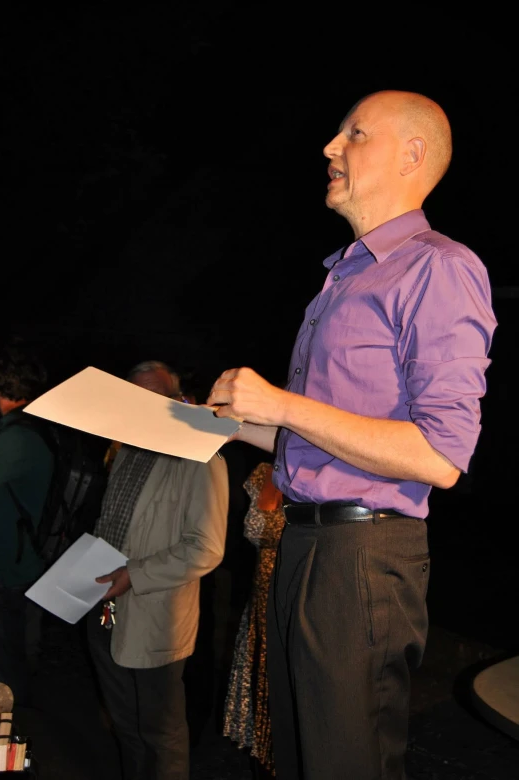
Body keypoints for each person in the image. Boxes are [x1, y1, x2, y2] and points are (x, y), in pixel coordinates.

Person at [207, 90, 498, 779]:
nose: (331, 148)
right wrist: (221, 422)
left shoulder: (439, 267)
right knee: (306, 761)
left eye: (354, 134)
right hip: (306, 547)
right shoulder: (343, 277)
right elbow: (317, 441)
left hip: (362, 558)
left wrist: (282, 405)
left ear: (412, 155)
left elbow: (440, 454)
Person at [86, 360, 229, 780]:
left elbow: (206, 549)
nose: (143, 406)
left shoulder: (201, 458)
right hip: (103, 608)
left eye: (156, 397)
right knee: (126, 727)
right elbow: (113, 523)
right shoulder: (125, 449)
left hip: (155, 617)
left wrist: (135, 574)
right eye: (135, 397)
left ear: (176, 401)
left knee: (161, 733)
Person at [0, 339, 55, 705]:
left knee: (5, 658)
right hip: (17, 559)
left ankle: (7, 742)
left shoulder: (17, 438)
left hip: (10, 566)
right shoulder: (26, 429)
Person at [223, 460, 285, 778]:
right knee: (258, 699)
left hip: (289, 602)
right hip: (258, 599)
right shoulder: (261, 473)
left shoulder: (311, 479)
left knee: (281, 704)